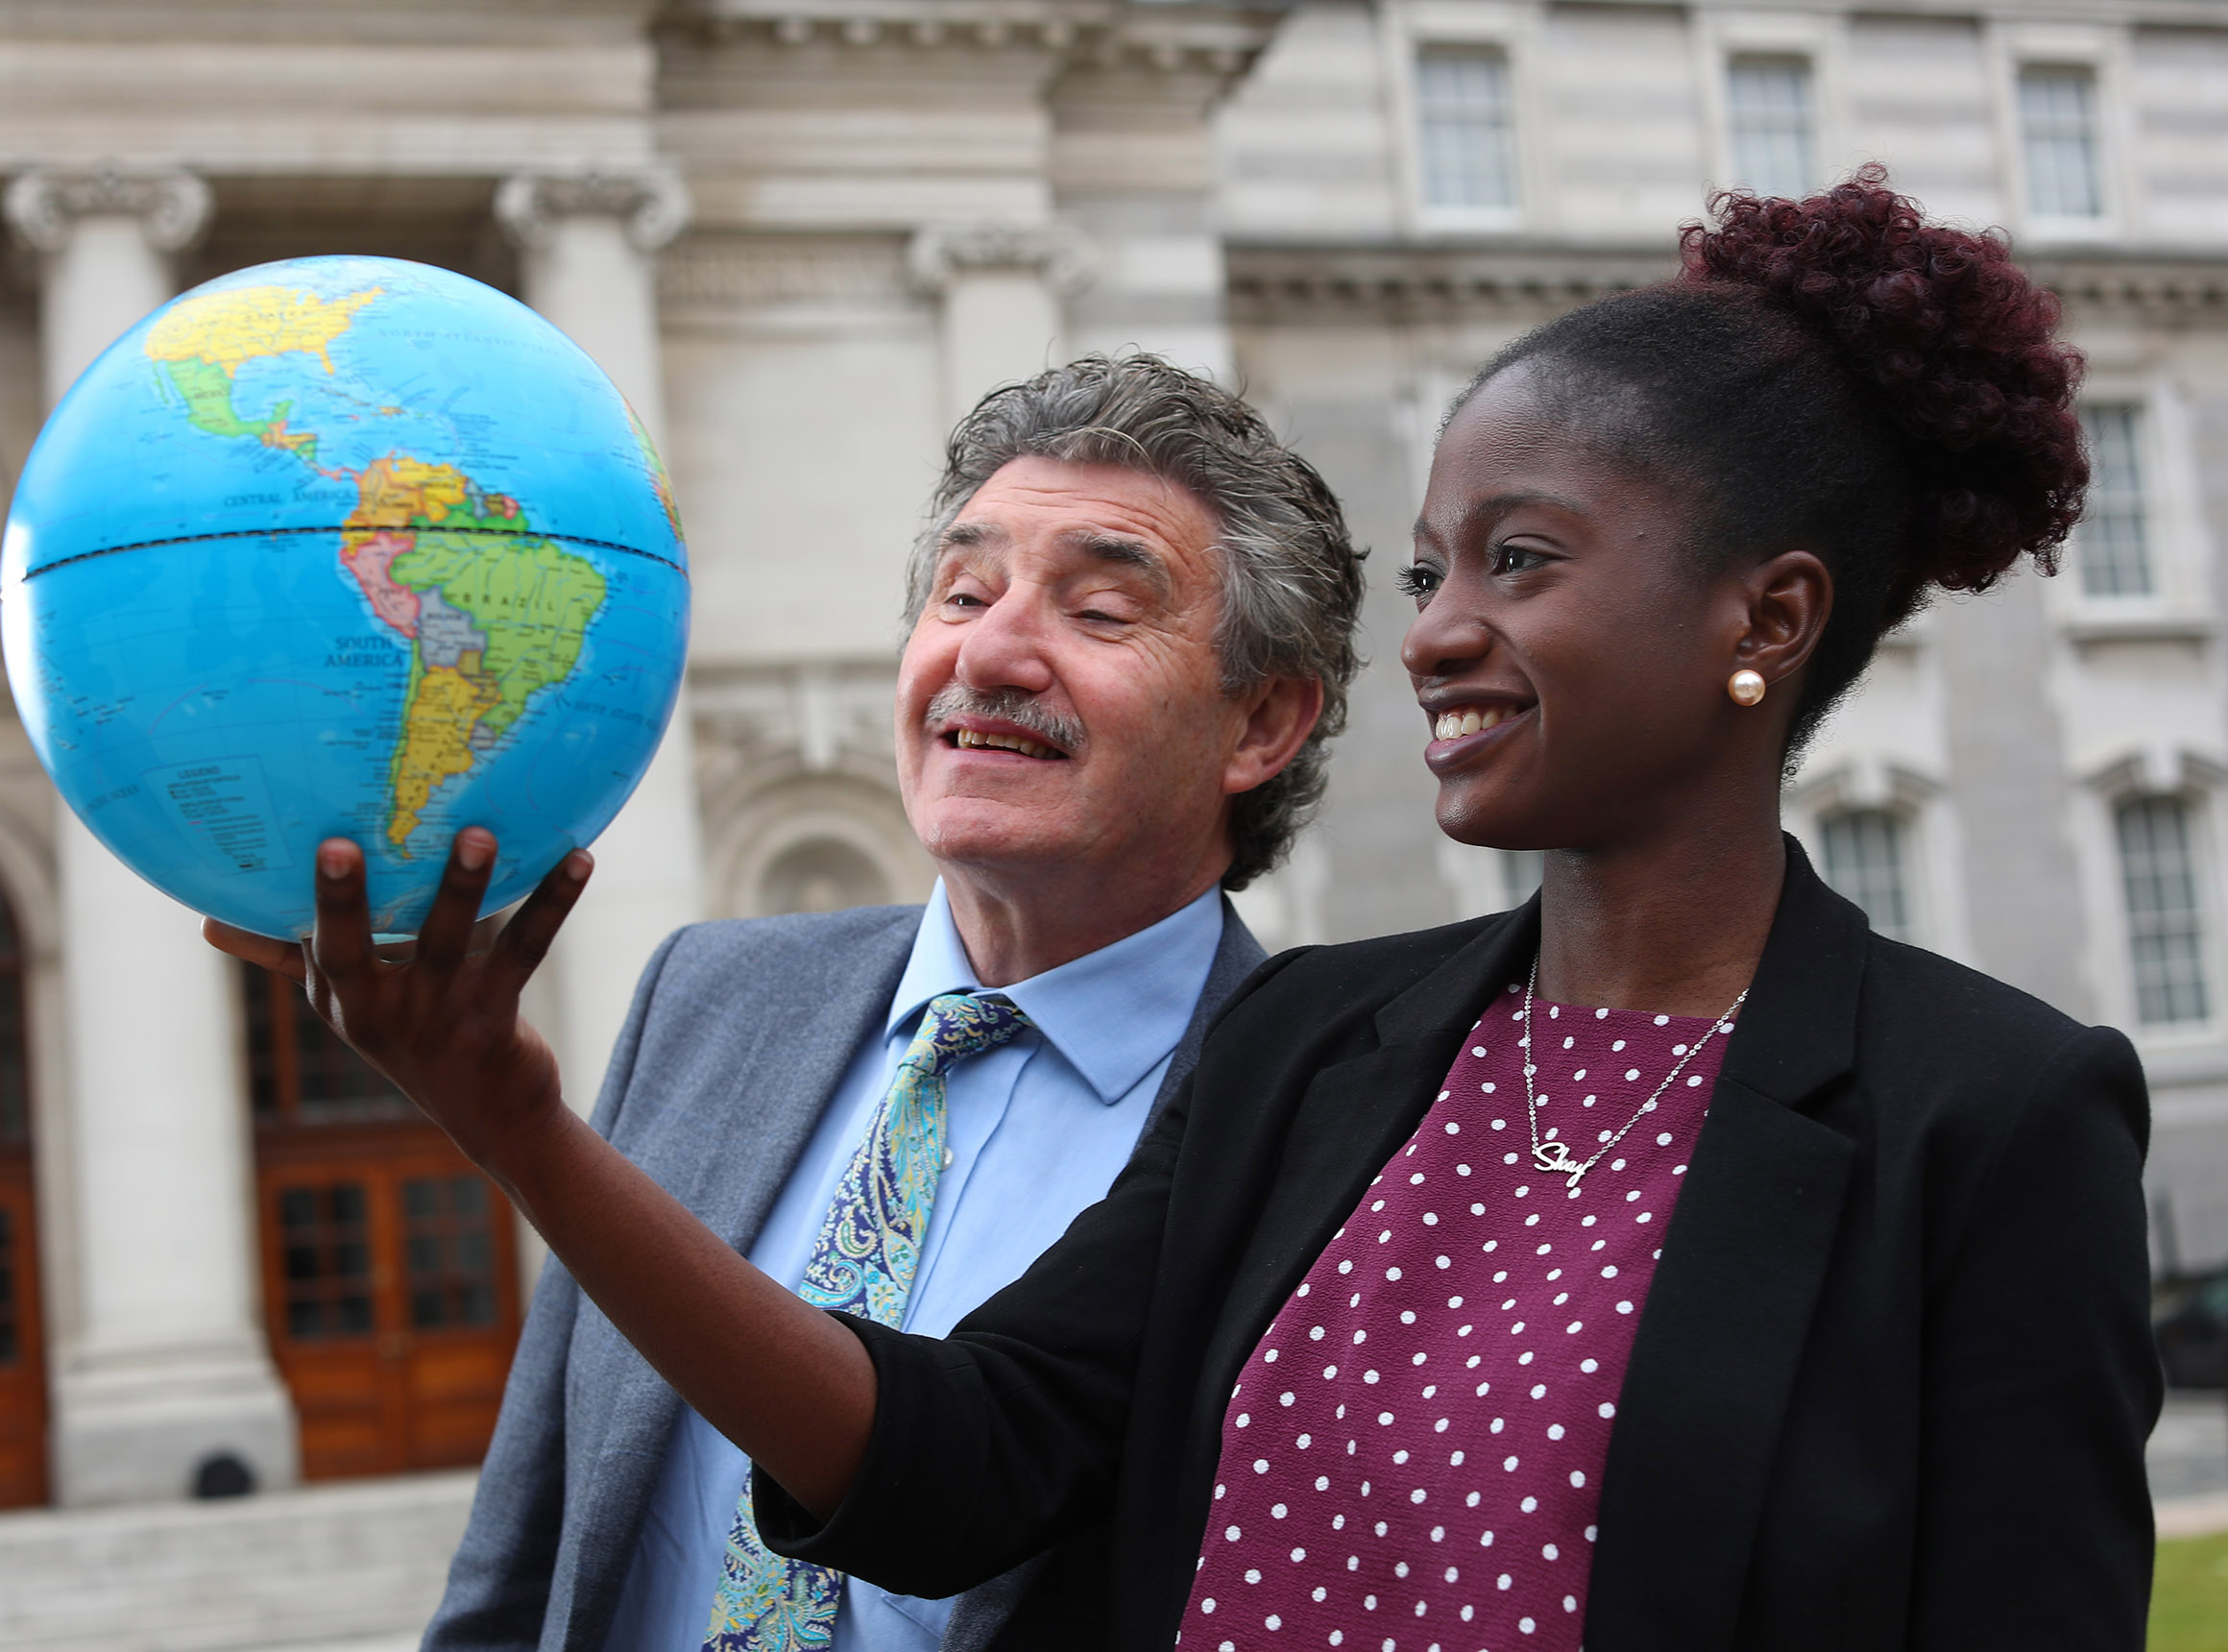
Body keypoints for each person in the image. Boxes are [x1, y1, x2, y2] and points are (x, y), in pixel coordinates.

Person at [228, 171, 2160, 1651]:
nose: (1445, 628)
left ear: (1771, 616)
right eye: (1428, 568)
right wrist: (520, 1123)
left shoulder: (1989, 1114)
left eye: (1524, 557)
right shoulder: (1321, 1047)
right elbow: (950, 1453)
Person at [206, 354, 1362, 1652]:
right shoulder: (712, 996)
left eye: (1099, 612)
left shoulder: (1331, 1136)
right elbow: (527, 1554)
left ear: (1262, 722)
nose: (989, 650)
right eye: (961, 592)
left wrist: (519, 1128)